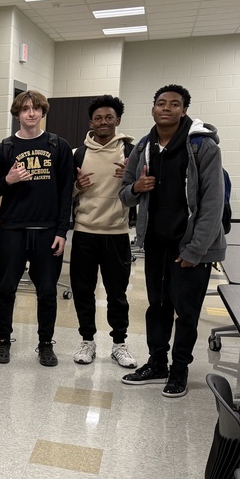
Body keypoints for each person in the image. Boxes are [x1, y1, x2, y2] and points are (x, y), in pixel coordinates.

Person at [120, 84, 226, 398]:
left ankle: (179, 369)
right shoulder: (144, 146)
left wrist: (196, 250)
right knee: (158, 307)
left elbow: (213, 203)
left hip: (191, 247)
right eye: (161, 103)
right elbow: (124, 194)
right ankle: (157, 363)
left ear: (183, 110)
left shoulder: (202, 147)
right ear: (153, 109)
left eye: (174, 104)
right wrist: (137, 187)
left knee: (187, 312)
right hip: (155, 243)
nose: (166, 108)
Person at [0, 90, 74, 367]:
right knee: (5, 289)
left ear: (42, 112)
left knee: (47, 292)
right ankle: (3, 340)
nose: (31, 113)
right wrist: (9, 179)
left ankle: (45, 343)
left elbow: (66, 192)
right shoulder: (4, 149)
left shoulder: (58, 146)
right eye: (25, 109)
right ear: (17, 114)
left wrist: (62, 231)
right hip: (12, 230)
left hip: (48, 231)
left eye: (36, 109)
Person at [70, 95, 137, 369]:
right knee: (83, 291)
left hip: (117, 233)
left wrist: (130, 178)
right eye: (98, 118)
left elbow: (140, 192)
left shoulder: (131, 151)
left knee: (117, 294)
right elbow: (67, 194)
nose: (104, 122)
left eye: (109, 117)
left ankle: (119, 344)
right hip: (84, 232)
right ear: (91, 122)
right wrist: (78, 186)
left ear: (118, 120)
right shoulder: (78, 153)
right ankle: (87, 340)